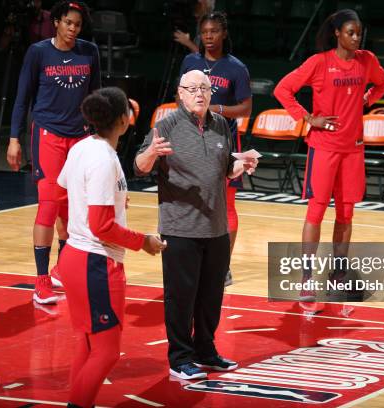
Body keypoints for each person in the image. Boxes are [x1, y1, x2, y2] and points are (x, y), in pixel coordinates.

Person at [134, 70, 257, 380]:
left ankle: (206, 351)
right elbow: (138, 167)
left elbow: (225, 169)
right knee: (181, 298)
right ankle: (179, 359)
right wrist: (150, 153)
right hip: (180, 229)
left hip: (216, 228)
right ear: (180, 93)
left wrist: (242, 164)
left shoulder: (220, 125)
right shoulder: (165, 127)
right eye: (192, 88)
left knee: (211, 295)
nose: (199, 93)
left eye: (205, 88)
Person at [57, 87, 166, 408]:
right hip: (96, 265)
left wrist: (114, 200)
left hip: (74, 258)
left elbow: (64, 190)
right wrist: (143, 242)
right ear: (123, 120)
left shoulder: (81, 148)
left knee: (87, 345)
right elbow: (101, 226)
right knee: (105, 353)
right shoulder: (105, 159)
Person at [274, 9, 384, 304]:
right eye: (350, 32)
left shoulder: (367, 60)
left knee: (346, 213)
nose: (356, 37)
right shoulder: (320, 62)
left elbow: (383, 82)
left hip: (353, 149)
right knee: (316, 211)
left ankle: (338, 273)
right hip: (324, 148)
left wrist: (367, 100)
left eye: (358, 32)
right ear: (337, 33)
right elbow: (283, 89)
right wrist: (308, 118)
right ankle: (307, 278)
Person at [7, 0, 101, 305]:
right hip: (47, 135)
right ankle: (41, 280)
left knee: (73, 210)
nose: (73, 29)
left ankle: (64, 270)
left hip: (81, 137)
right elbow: (22, 98)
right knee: (48, 206)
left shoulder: (89, 52)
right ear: (56, 22)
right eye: (68, 23)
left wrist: (98, 137)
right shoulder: (38, 53)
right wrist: (14, 138)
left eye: (78, 24)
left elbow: (96, 97)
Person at [179, 11, 252, 286]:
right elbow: (181, 95)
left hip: (225, 141)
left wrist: (216, 109)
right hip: (194, 140)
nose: (208, 36)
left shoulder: (236, 68)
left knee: (225, 205)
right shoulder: (190, 61)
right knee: (193, 201)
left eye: (214, 31)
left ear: (224, 34)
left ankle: (223, 266)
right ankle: (197, 261)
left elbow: (246, 107)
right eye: (205, 32)